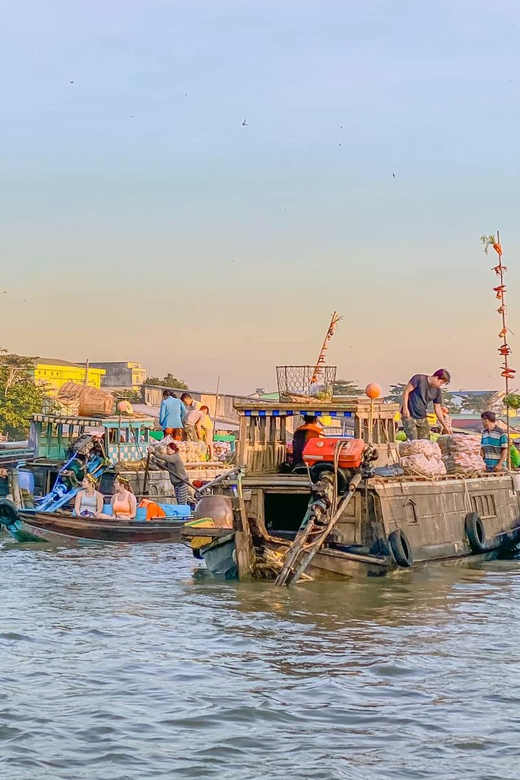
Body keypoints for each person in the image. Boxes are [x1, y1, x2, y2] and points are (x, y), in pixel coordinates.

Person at [401, 369, 452, 441]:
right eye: (441, 382)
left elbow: (437, 409)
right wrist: (405, 408)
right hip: (410, 414)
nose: (440, 385)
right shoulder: (418, 379)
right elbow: (406, 392)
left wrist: (445, 426)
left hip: (422, 416)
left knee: (425, 442)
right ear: (436, 377)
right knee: (413, 440)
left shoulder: (437, 391)